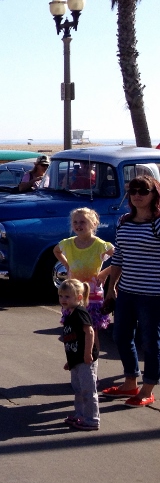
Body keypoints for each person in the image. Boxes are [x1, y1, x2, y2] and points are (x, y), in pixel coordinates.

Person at [98, 175, 160, 407]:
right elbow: (120, 257)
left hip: (153, 295)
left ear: (154, 194)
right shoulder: (124, 220)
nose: (137, 195)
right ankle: (130, 382)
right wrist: (111, 288)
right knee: (121, 336)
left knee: (151, 342)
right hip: (127, 291)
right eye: (133, 190)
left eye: (143, 190)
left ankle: (148, 388)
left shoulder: (157, 222)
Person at [53, 208, 115, 330]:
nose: (78, 225)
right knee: (75, 326)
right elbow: (56, 250)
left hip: (93, 293)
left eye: (82, 222)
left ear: (94, 224)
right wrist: (66, 264)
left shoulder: (100, 245)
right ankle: (79, 349)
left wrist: (104, 273)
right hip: (73, 293)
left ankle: (92, 349)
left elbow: (119, 258)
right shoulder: (68, 243)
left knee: (92, 328)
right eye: (75, 222)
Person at [58, 278, 100, 431]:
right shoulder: (70, 314)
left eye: (67, 296)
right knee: (78, 390)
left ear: (79, 297)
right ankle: (80, 415)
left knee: (88, 390)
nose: (63, 299)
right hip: (76, 360)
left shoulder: (80, 313)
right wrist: (70, 360)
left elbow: (89, 332)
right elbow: (71, 340)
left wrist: (88, 353)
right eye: (61, 296)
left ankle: (92, 420)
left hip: (85, 360)